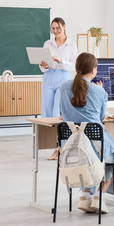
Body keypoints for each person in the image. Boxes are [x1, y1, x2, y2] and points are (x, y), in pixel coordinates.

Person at [59, 52, 114, 213]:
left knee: (96, 159)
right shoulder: (99, 92)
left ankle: (86, 195)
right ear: (93, 70)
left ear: (76, 67)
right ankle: (98, 196)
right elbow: (101, 117)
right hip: (94, 141)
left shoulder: (64, 87)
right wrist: (100, 90)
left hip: (70, 142)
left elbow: (63, 112)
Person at [39, 17, 78, 160]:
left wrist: (60, 61)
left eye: (58, 28)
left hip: (63, 79)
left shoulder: (71, 44)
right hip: (49, 78)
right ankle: (54, 148)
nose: (55, 31)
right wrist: (44, 65)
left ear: (64, 27)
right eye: (53, 29)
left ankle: (61, 148)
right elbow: (42, 65)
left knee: (58, 114)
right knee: (48, 114)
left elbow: (74, 66)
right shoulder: (47, 43)